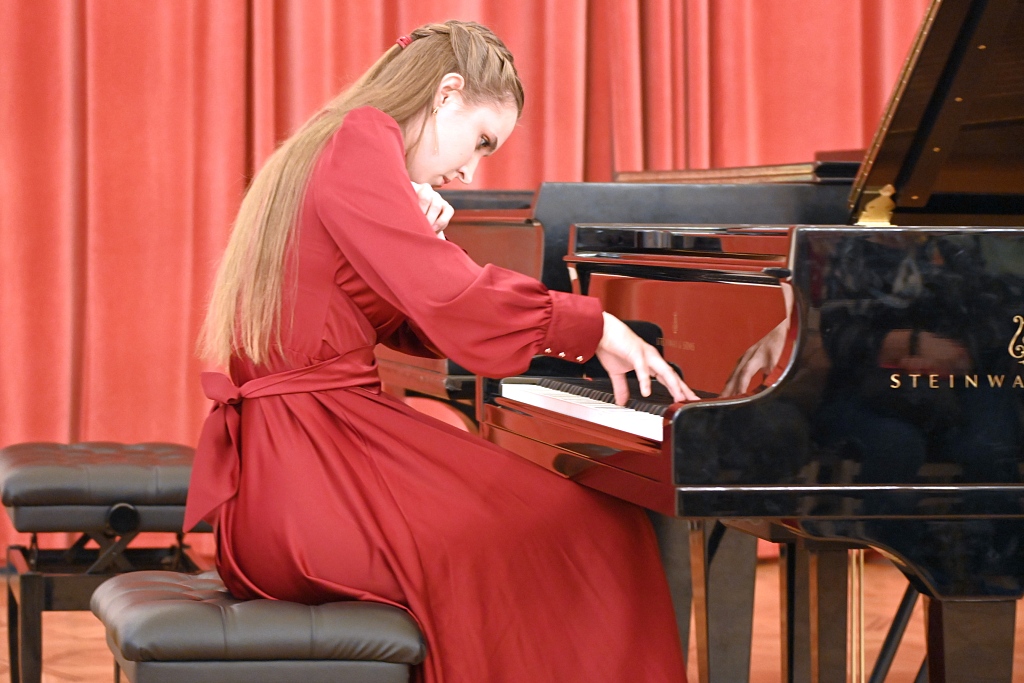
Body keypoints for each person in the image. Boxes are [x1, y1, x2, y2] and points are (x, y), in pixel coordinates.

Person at [184, 20, 697, 683]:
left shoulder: (323, 143)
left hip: (290, 478)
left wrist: (424, 243)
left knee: (556, 525)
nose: (469, 171)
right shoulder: (360, 139)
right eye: (481, 141)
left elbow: (416, 318)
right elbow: (457, 303)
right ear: (447, 93)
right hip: (315, 481)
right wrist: (593, 327)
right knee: (595, 531)